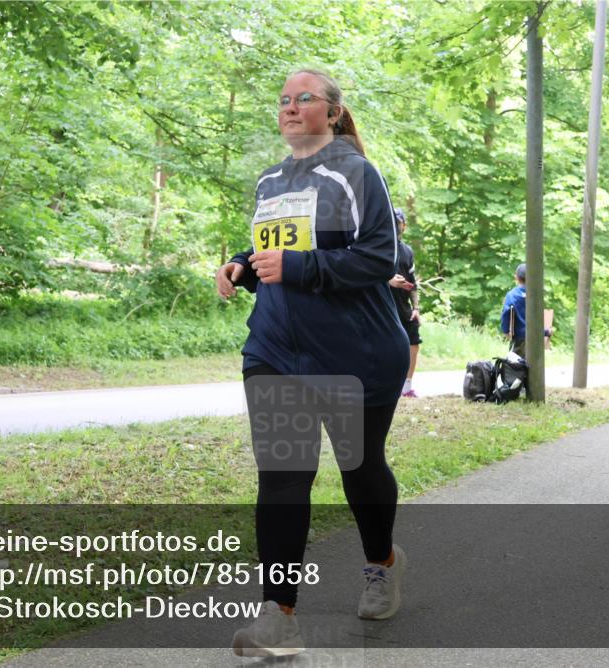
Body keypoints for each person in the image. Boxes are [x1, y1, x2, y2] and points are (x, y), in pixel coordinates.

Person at [216, 69, 409, 657]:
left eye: (305, 99)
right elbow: (276, 247)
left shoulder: (357, 173)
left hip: (356, 352)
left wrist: (297, 269)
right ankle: (279, 615)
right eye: (283, 100)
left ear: (331, 111)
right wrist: (243, 265)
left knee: (360, 468)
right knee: (282, 476)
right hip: (274, 349)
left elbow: (381, 257)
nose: (291, 107)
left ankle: (382, 562)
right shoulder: (270, 180)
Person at [388, 209, 421, 397]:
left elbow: (413, 283)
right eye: (391, 221)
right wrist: (389, 280)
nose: (395, 224)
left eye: (398, 221)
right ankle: (388, 385)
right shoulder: (380, 246)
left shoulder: (407, 251)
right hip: (383, 306)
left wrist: (416, 308)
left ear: (404, 225)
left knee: (413, 342)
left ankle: (407, 387)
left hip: (404, 307)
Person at [500, 263, 527, 358]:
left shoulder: (511, 295)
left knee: (517, 367)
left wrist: (506, 331)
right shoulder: (536, 294)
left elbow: (506, 314)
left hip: (518, 338)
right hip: (535, 339)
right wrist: (546, 332)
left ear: (517, 277)